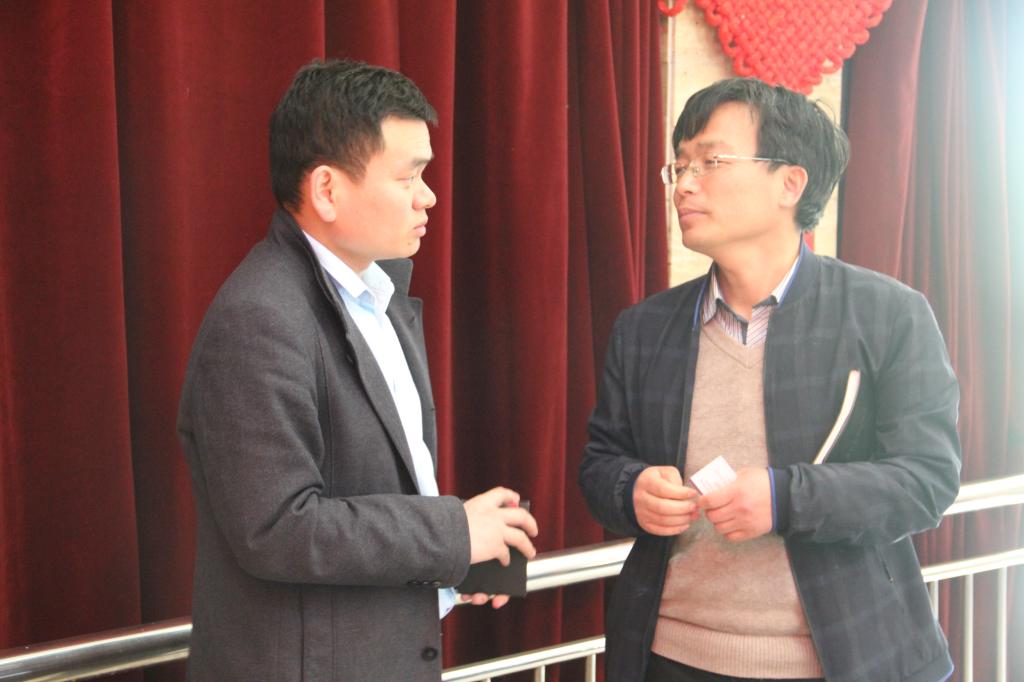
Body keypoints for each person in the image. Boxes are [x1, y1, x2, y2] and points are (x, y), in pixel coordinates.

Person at [578, 78, 961, 682]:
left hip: (841, 660)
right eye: (678, 166)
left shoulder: (887, 313)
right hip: (670, 657)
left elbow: (926, 481)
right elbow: (600, 464)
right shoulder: (644, 328)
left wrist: (787, 498)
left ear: (790, 183)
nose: (684, 184)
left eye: (711, 161)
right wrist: (632, 490)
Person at [177, 59, 538, 681]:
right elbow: (277, 528)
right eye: (408, 176)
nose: (428, 195)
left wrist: (457, 559)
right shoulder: (259, 317)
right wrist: (452, 534)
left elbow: (378, 482)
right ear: (326, 190)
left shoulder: (380, 294)